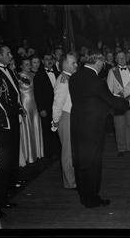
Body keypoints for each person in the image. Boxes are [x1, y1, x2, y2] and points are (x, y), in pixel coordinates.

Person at [69, 50, 130, 208]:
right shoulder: (96, 81)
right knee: (93, 164)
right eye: (103, 62)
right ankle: (92, 200)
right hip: (92, 129)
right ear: (98, 62)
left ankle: (84, 197)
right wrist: (128, 103)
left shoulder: (74, 77)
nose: (103, 65)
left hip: (78, 125)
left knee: (81, 163)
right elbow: (113, 101)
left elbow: (89, 99)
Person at [0, 44, 25, 218]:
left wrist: (19, 109)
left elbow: (14, 93)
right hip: (0, 126)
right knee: (0, 165)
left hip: (12, 121)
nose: (11, 56)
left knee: (10, 160)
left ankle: (4, 198)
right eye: (8, 53)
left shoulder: (9, 71)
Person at [52, 53, 78, 189]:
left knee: (73, 150)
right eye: (73, 63)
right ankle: (70, 182)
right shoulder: (63, 80)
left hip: (72, 116)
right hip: (65, 117)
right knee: (68, 152)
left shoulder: (70, 78)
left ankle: (73, 178)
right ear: (65, 64)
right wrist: (56, 122)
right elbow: (57, 104)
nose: (76, 65)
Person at [107, 52, 130, 157]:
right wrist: (111, 104)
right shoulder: (112, 71)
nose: (122, 59)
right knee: (119, 126)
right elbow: (109, 89)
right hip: (118, 101)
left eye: (123, 57)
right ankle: (121, 148)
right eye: (119, 57)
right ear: (116, 59)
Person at [33, 53, 61, 159]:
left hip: (58, 106)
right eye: (46, 59)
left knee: (58, 129)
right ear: (43, 61)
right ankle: (49, 153)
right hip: (46, 107)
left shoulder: (59, 74)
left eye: (50, 59)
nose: (49, 61)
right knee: (47, 130)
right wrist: (41, 109)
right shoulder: (39, 76)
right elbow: (38, 94)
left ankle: (58, 150)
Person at [18, 57, 44, 166]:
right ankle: (28, 154)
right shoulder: (17, 76)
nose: (29, 66)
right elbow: (16, 94)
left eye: (29, 64)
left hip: (34, 103)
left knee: (35, 126)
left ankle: (37, 152)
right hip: (24, 103)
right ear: (21, 66)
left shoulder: (34, 75)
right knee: (26, 128)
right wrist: (20, 106)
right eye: (27, 64)